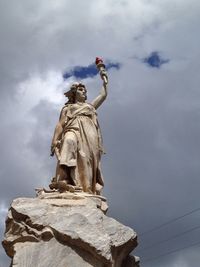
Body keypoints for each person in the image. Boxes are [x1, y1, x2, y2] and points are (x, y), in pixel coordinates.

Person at [50, 77, 108, 195]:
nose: (84, 91)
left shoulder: (90, 107)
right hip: (73, 129)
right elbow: (61, 124)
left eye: (84, 90)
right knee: (68, 141)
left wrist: (105, 82)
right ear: (74, 92)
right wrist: (55, 140)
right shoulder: (68, 108)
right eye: (81, 89)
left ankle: (84, 187)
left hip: (89, 132)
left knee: (86, 159)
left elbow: (102, 95)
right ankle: (64, 178)